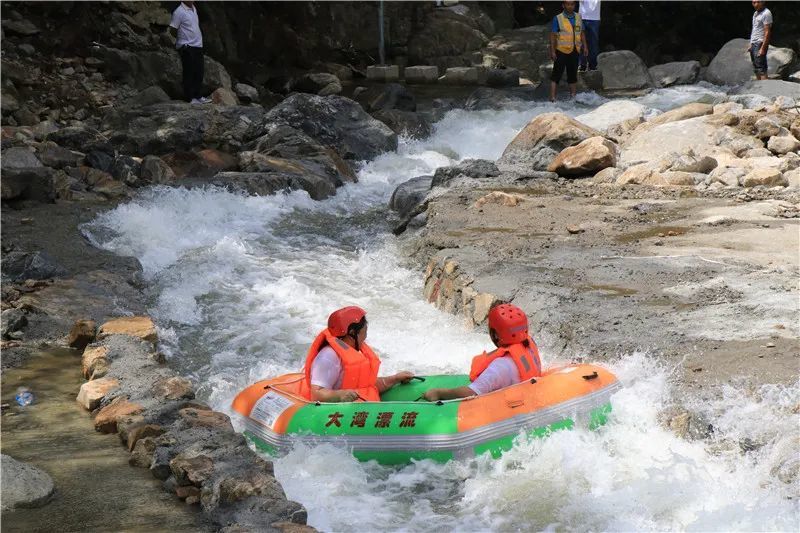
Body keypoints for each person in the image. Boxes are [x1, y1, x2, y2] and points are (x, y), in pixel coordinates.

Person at [423, 304, 542, 402]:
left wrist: (439, 393)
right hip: (529, 395)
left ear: (495, 334)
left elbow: (471, 393)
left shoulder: (500, 366)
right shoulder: (529, 344)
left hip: (512, 408)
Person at [298, 306, 415, 402]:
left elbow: (366, 386)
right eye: (365, 332)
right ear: (352, 333)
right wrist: (339, 395)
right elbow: (316, 394)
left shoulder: (354, 351)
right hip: (335, 414)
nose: (366, 337)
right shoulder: (328, 357)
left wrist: (394, 379)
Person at [169, 1, 209, 104]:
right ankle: (190, 98)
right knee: (189, 72)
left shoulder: (194, 9)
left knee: (199, 72)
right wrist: (181, 40)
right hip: (187, 46)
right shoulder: (179, 12)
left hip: (198, 45)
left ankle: (198, 95)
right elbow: (173, 29)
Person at [549, 1, 589, 102]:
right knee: (556, 74)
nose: (570, 6)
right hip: (561, 50)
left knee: (572, 74)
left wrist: (585, 47)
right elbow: (553, 36)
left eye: (572, 4)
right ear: (563, 5)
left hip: (575, 50)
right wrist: (553, 51)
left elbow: (582, 32)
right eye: (568, 4)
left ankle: (573, 97)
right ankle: (553, 98)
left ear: (574, 6)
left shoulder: (578, 17)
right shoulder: (558, 18)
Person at [749, 0, 773, 81]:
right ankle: (758, 88)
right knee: (756, 67)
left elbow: (767, 32)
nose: (755, 4)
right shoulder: (755, 13)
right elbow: (755, 29)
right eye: (753, 2)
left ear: (763, 2)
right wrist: (751, 44)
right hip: (754, 43)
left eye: (757, 2)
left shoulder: (766, 13)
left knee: (761, 68)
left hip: (760, 42)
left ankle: (765, 90)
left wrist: (763, 48)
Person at [578, 0, 601, 71]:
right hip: (581, 17)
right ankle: (582, 65)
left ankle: (593, 65)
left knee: (593, 43)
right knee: (580, 42)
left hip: (594, 18)